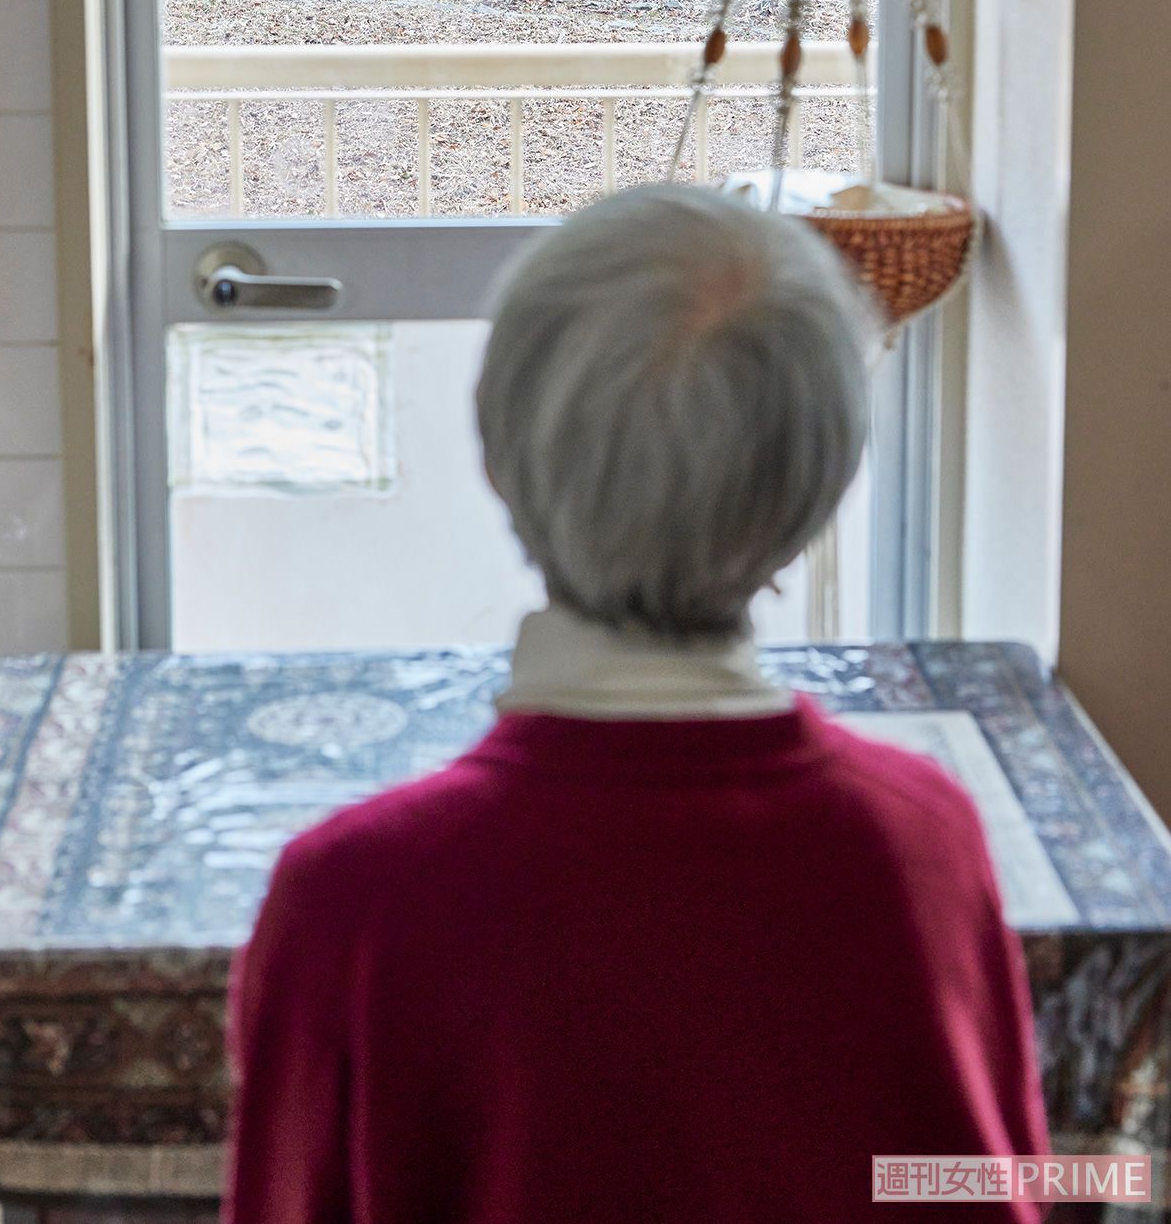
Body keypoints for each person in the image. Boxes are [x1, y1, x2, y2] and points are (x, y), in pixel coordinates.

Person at [225, 185, 1049, 1224]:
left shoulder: (352, 899)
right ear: (813, 498)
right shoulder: (918, 842)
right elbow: (979, 1189)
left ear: (496, 457)